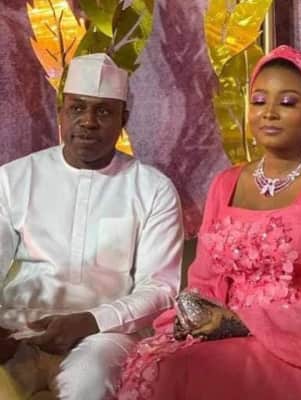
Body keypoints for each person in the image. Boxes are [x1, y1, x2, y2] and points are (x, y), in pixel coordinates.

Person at [115, 45, 301, 400]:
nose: (269, 113)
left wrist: (240, 321)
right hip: (223, 332)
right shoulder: (226, 183)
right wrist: (196, 316)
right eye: (258, 101)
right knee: (154, 362)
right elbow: (205, 280)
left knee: (192, 371)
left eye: (287, 103)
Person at [0, 53, 184, 400]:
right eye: (77, 108)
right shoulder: (13, 180)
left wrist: (92, 320)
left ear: (123, 119)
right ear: (61, 113)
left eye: (103, 111)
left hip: (103, 336)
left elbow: (160, 287)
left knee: (90, 378)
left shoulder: (152, 189)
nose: (88, 121)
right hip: (18, 330)